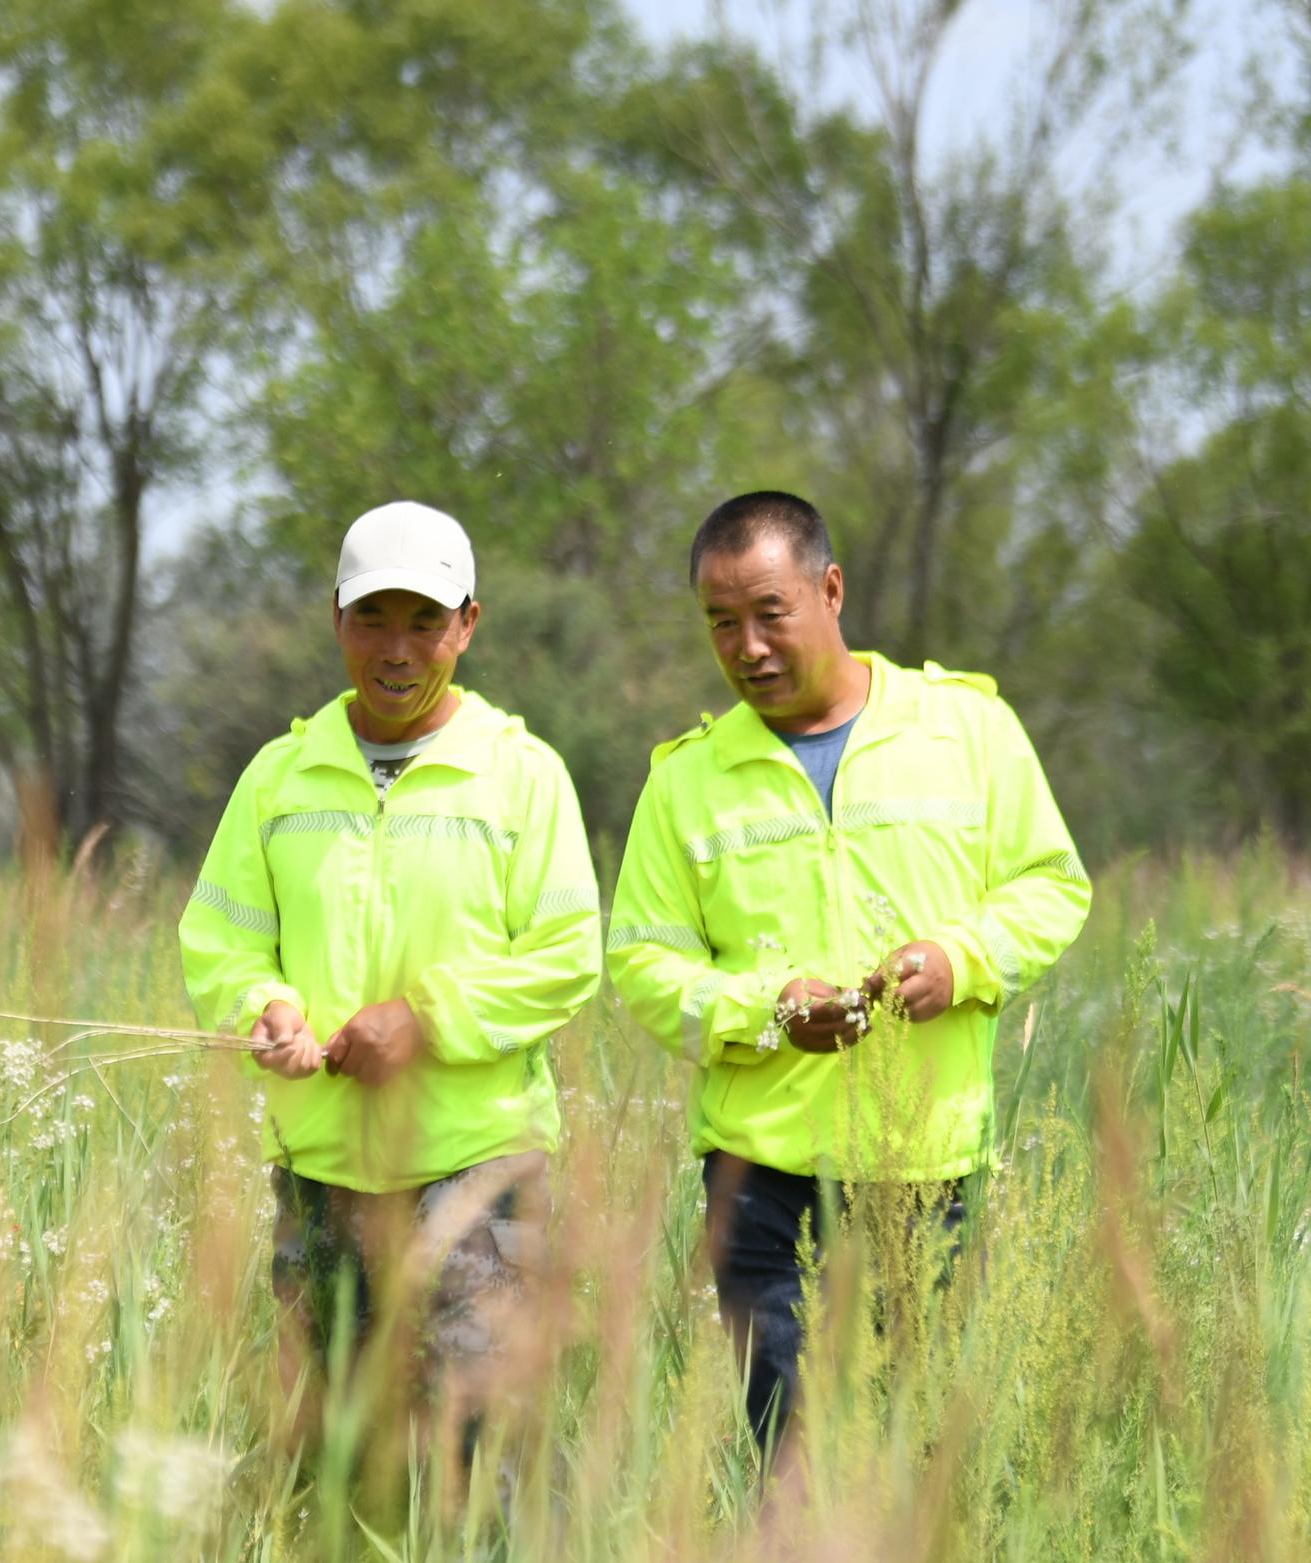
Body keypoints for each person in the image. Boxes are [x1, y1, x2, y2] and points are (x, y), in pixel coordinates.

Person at [606, 490, 1091, 1459]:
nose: (745, 646)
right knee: (793, 1462)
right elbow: (643, 963)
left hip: (926, 1168)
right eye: (720, 623)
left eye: (768, 614)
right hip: (759, 1178)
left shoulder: (966, 730)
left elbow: (1050, 887)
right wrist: (766, 1008)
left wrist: (961, 961)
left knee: (913, 1460)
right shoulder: (684, 780)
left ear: (830, 590)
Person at [179, 500, 601, 1482]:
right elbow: (220, 941)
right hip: (322, 1178)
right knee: (327, 1457)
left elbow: (566, 952)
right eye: (373, 619)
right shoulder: (279, 778)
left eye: (424, 621)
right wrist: (265, 1010)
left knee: (481, 1460)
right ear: (336, 620)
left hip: (474, 1180)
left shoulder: (521, 776)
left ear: (468, 624)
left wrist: (427, 1020)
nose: (397, 648)